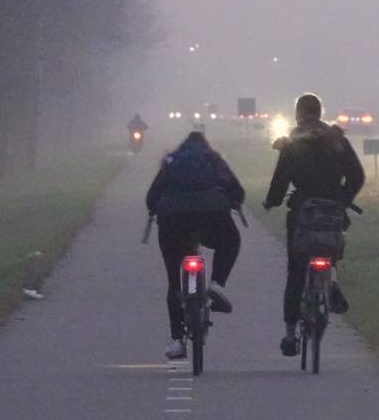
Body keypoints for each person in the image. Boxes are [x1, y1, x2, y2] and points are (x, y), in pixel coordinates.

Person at [263, 93, 365, 357]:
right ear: (320, 113)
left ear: (298, 113)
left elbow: (280, 180)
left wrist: (271, 202)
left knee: (296, 272)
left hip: (302, 211)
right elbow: (357, 175)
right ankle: (331, 280)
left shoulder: (293, 141)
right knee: (330, 249)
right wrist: (343, 199)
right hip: (332, 209)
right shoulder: (336, 138)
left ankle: (289, 336)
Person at [146, 131, 244, 359]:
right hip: (212, 215)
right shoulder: (213, 157)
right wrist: (233, 203)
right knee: (231, 240)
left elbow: (152, 196)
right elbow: (236, 189)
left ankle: (177, 340)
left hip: (173, 218)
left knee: (174, 281)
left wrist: (155, 210)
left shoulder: (171, 160)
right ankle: (217, 284)